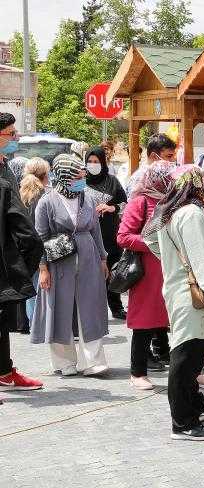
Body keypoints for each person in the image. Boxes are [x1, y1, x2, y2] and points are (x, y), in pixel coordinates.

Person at [143, 165, 204, 441]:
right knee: (186, 357)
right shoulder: (191, 214)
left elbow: (150, 240)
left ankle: (195, 406)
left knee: (193, 352)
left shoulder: (169, 212)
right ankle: (183, 422)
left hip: (180, 289)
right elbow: (200, 257)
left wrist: (173, 260)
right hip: (194, 294)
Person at [31, 154, 110, 377]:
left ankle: (93, 360)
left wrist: (103, 259)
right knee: (59, 308)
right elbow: (41, 236)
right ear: (65, 175)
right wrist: (43, 268)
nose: (82, 179)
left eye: (83, 175)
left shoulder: (88, 198)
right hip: (58, 261)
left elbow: (96, 231)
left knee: (90, 308)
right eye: (77, 175)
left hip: (88, 259)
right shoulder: (47, 201)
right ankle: (64, 361)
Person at [117, 163, 173, 390]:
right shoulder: (140, 201)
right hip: (148, 272)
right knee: (144, 321)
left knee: (176, 320)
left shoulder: (172, 201)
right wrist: (152, 244)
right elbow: (123, 236)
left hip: (171, 269)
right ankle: (138, 371)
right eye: (165, 177)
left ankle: (189, 371)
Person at [0, 112, 44, 397]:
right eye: (11, 134)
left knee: (2, 319)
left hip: (6, 255)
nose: (15, 139)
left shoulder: (5, 167)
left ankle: (4, 371)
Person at [86, 147, 129, 320]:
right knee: (90, 272)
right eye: (90, 161)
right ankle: (91, 308)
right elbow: (71, 201)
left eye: (97, 162)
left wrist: (111, 207)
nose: (93, 165)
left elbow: (125, 203)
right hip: (87, 232)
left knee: (112, 269)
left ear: (103, 163)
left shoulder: (112, 181)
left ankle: (116, 306)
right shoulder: (80, 180)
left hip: (109, 232)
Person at [20, 157, 50, 327]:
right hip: (40, 249)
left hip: (23, 249)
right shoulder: (45, 196)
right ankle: (42, 324)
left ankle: (32, 323)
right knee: (42, 287)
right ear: (45, 175)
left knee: (31, 289)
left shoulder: (20, 192)